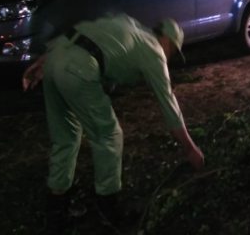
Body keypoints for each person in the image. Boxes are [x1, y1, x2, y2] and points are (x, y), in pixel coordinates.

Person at [21, 13, 205, 233]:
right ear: (167, 41)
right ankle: (108, 210)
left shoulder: (128, 24)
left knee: (66, 137)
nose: (170, 55)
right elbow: (169, 105)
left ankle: (55, 212)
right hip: (78, 68)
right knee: (109, 135)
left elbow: (86, 33)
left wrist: (45, 62)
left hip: (54, 59)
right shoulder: (154, 50)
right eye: (173, 50)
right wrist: (190, 148)